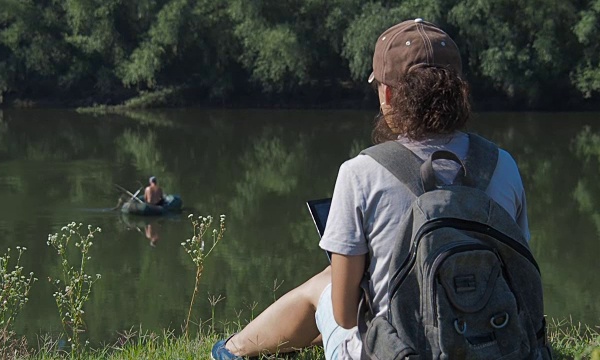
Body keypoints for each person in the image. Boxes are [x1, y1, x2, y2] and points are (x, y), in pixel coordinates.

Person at [211, 18, 529, 360]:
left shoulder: (361, 172)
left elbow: (346, 316)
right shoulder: (502, 165)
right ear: (458, 91)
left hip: (396, 353)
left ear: (388, 94)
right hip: (494, 346)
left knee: (327, 283)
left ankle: (230, 351)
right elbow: (519, 279)